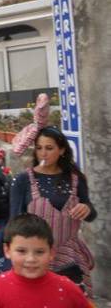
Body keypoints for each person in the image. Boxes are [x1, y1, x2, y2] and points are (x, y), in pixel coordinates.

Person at [10, 126, 96, 295]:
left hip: (69, 256)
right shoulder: (23, 180)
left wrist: (86, 208)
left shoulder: (75, 179)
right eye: (39, 148)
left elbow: (91, 215)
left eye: (49, 148)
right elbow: (13, 222)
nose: (43, 153)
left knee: (69, 300)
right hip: (34, 256)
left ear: (62, 150)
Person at [0, 214, 92, 308]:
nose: (31, 259)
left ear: (51, 253)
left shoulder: (68, 288)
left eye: (39, 252)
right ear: (7, 250)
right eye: (21, 251)